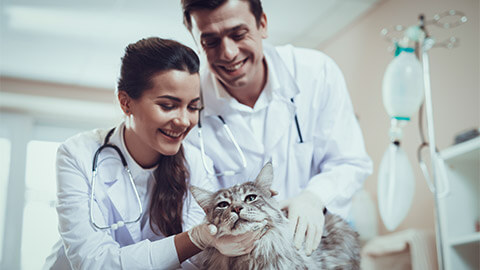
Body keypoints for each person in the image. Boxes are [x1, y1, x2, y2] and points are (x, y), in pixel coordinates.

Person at [43, 37, 260, 270]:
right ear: (125, 103)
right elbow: (92, 262)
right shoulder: (77, 154)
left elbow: (196, 263)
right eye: (168, 105)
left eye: (193, 107)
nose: (183, 120)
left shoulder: (196, 163)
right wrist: (195, 239)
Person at [181, 0, 373, 256]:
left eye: (238, 34)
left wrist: (313, 198)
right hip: (244, 256)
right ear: (195, 40)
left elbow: (349, 162)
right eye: (210, 42)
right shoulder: (190, 107)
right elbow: (195, 204)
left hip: (316, 248)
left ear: (262, 24)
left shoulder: (316, 72)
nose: (228, 53)